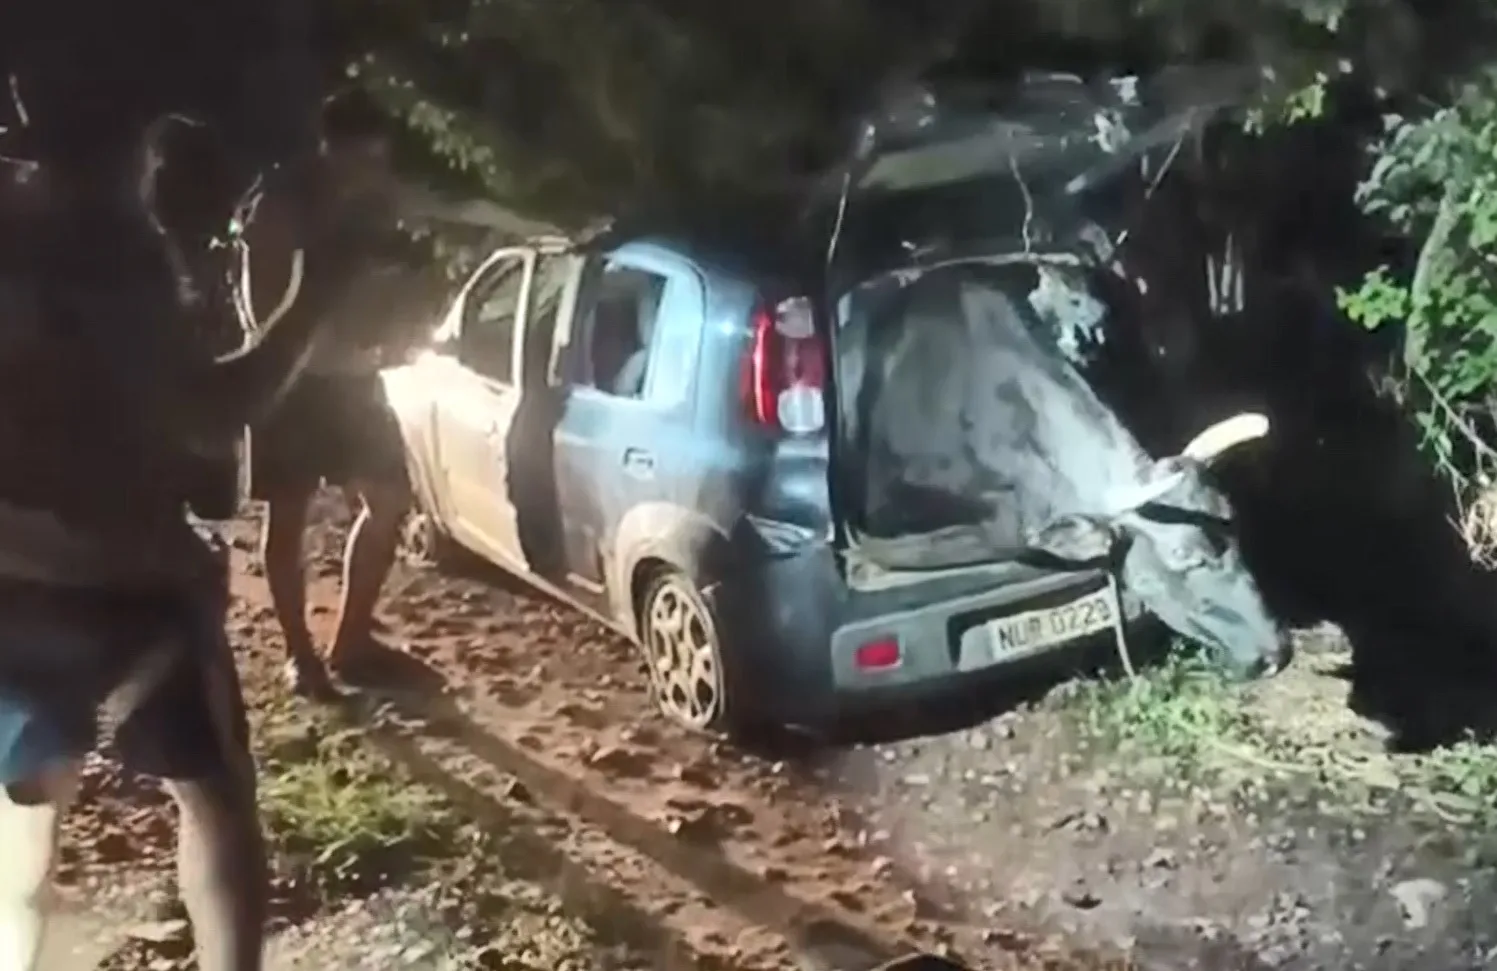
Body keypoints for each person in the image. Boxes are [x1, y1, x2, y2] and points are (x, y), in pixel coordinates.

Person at [0, 1, 364, 968]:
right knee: (215, 797)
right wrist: (311, 303)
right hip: (125, 586)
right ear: (138, 138)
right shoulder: (113, 252)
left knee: (27, 797)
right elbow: (208, 412)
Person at [246, 123, 436, 699]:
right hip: (294, 383)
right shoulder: (279, 204)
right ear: (329, 146)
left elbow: (399, 276)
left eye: (377, 161)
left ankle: (351, 642)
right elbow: (260, 308)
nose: (370, 172)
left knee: (389, 500)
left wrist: (396, 327)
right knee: (288, 515)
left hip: (357, 377)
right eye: (361, 158)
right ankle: (299, 655)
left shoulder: (374, 205)